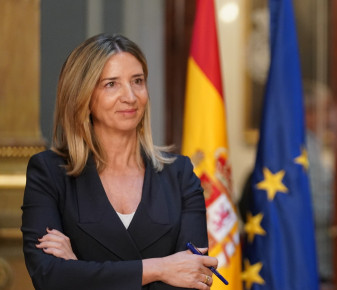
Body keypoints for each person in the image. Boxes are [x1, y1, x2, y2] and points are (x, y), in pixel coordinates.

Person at [21, 33, 218, 290]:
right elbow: (50, 278)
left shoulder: (179, 174)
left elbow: (193, 280)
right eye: (111, 84)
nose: (130, 96)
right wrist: (160, 268)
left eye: (137, 81)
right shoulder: (48, 172)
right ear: (83, 96)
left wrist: (79, 266)